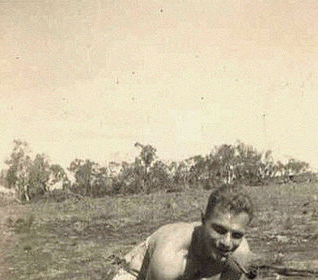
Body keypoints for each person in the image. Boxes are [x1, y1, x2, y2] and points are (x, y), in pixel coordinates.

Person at [113, 184, 255, 280]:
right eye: (219, 230)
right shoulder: (170, 256)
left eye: (237, 235)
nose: (227, 243)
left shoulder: (239, 256)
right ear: (203, 220)